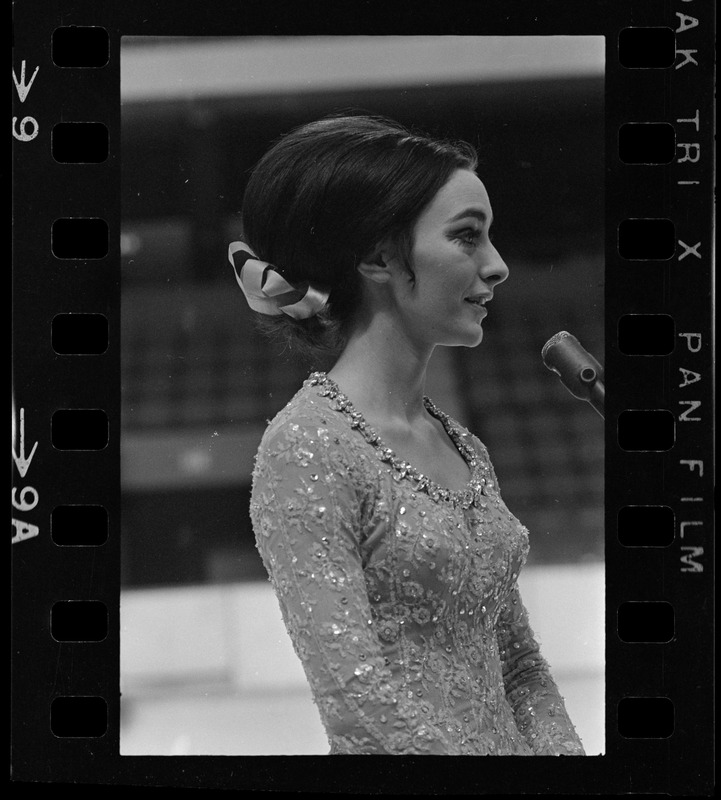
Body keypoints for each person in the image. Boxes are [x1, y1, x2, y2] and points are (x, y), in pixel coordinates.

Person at [229, 113, 586, 755]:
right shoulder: (308, 447)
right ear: (377, 256)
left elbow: (522, 667)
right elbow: (355, 703)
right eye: (467, 238)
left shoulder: (465, 448)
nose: (498, 265)